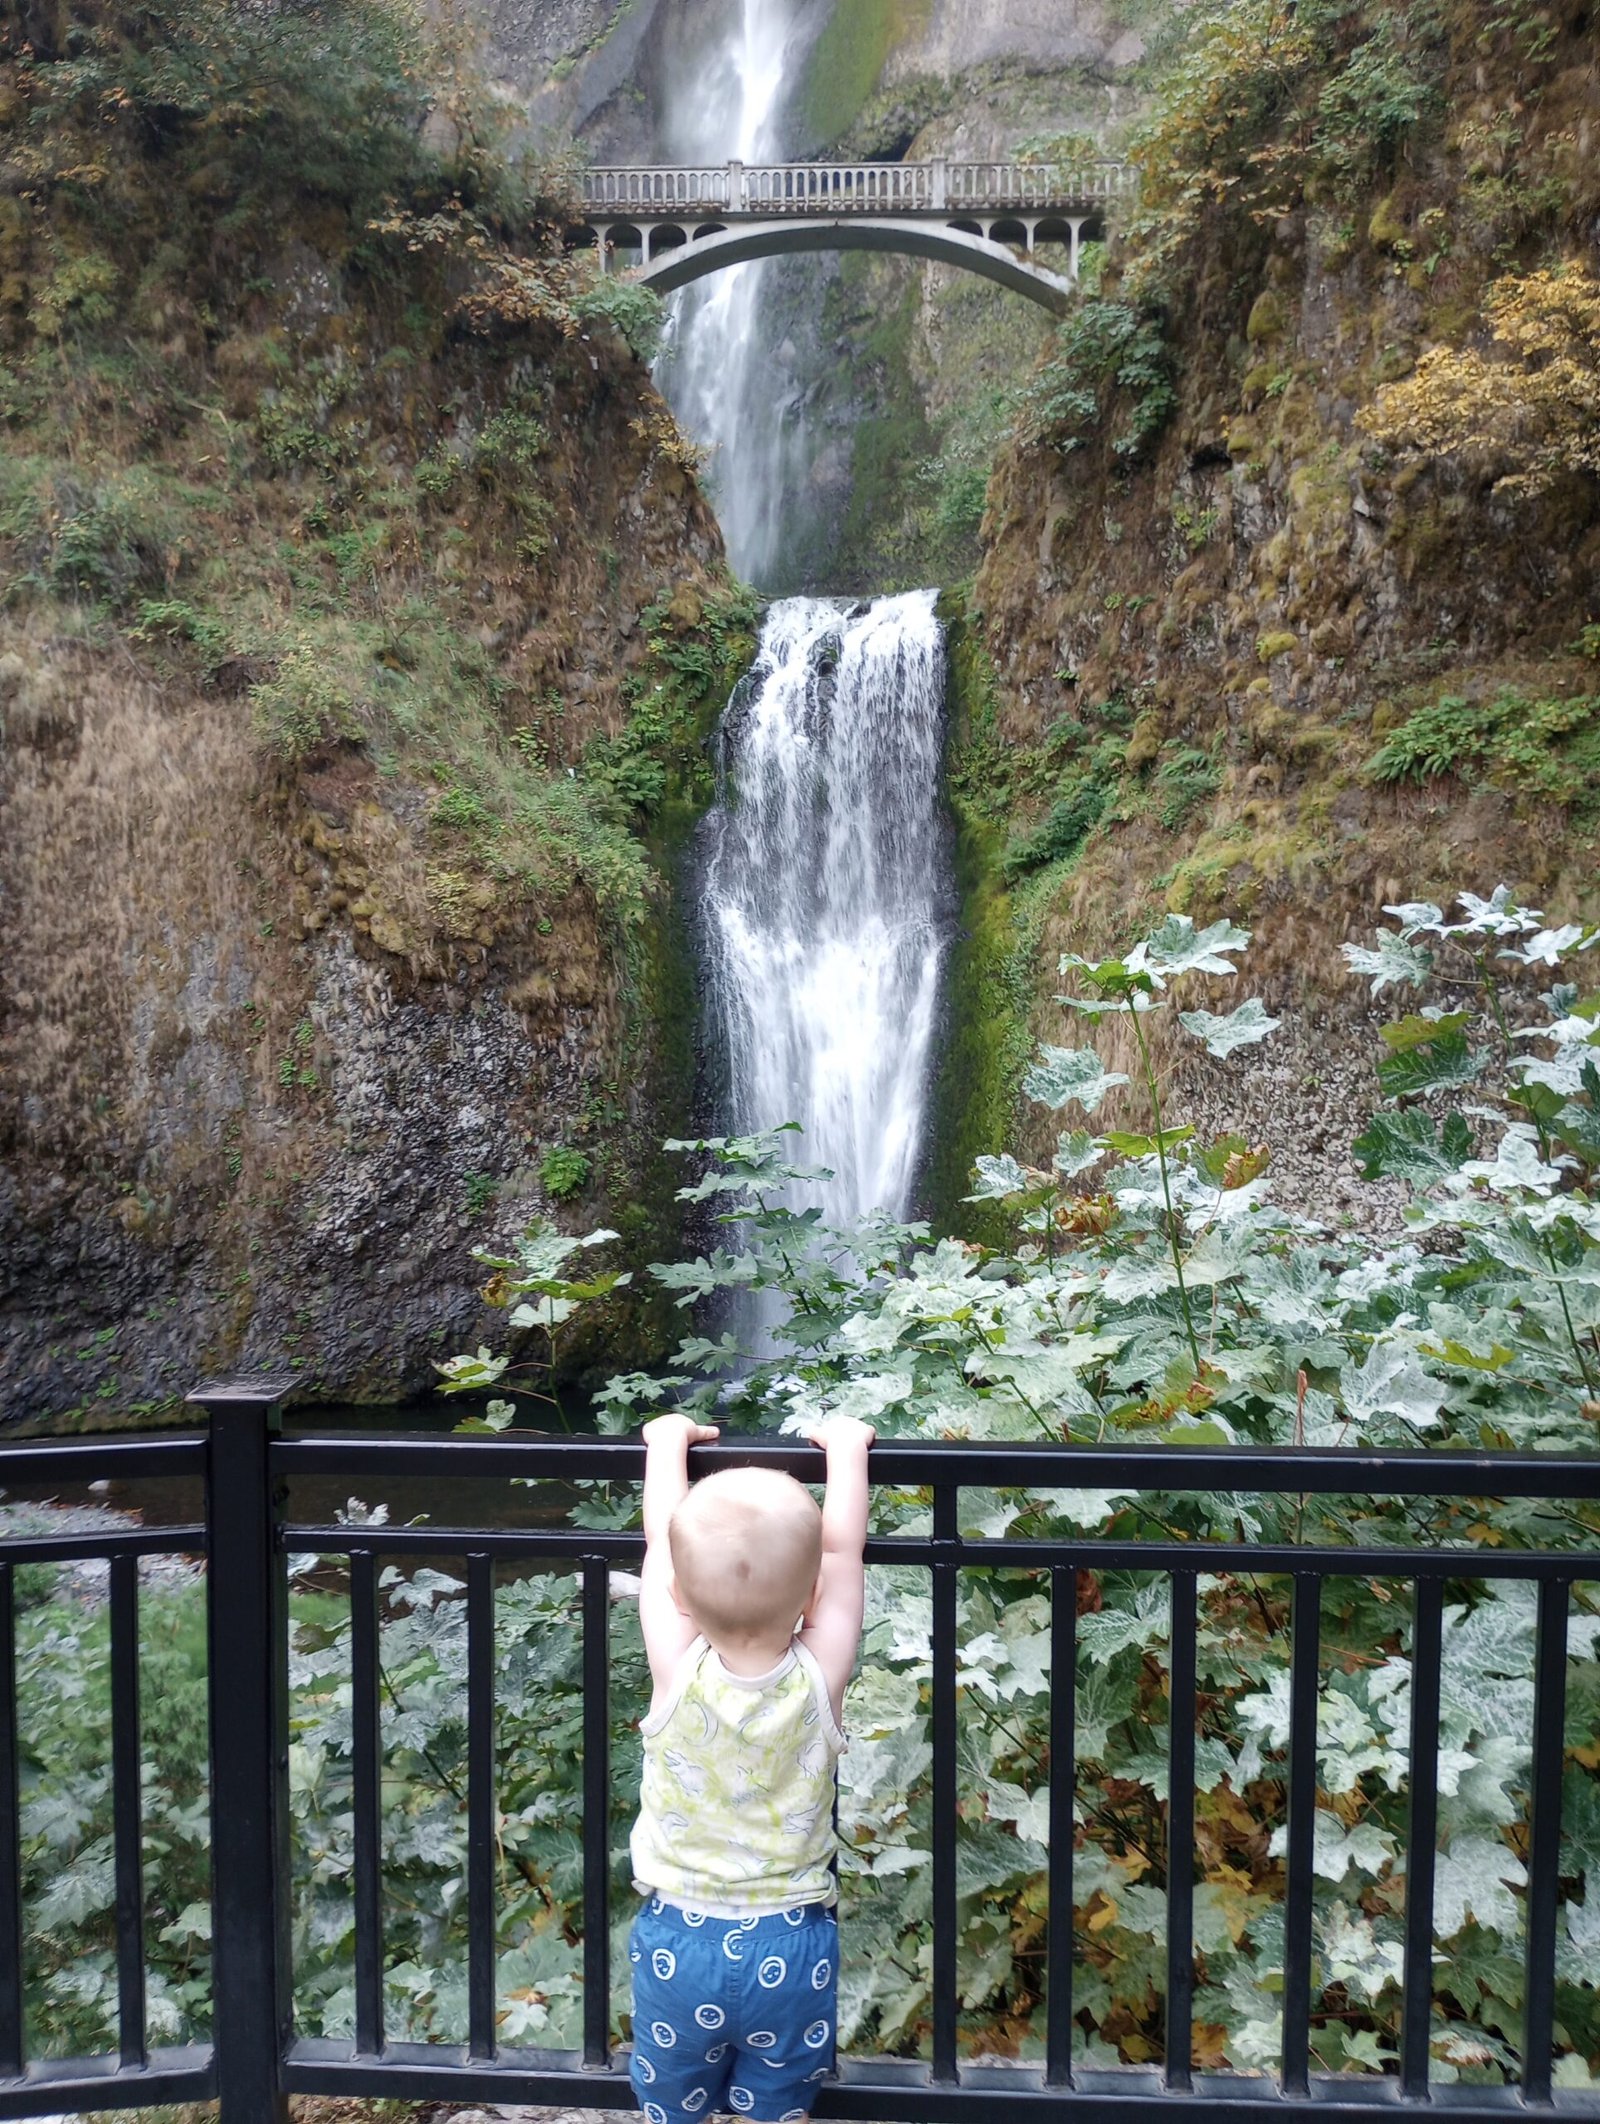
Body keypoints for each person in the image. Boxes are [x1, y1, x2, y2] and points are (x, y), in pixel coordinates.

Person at [627, 1411, 875, 2124]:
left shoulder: (676, 1673)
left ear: (678, 1595)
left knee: (672, 2112)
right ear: (809, 1601)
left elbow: (659, 1544)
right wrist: (847, 1450)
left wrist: (668, 1442)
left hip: (679, 1944)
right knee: (778, 2111)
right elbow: (842, 1556)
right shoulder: (818, 1678)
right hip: (790, 1946)